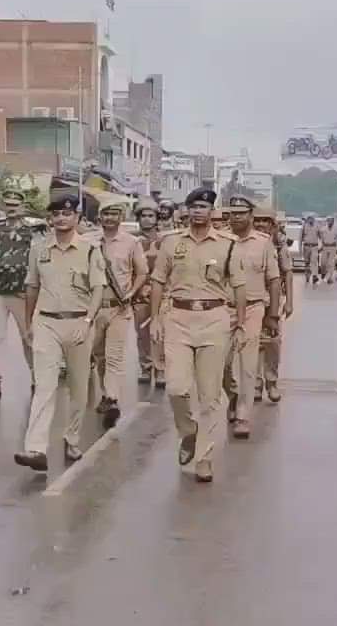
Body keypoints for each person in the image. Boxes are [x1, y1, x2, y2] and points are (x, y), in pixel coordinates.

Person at [150, 187, 246, 483]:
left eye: (203, 207)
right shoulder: (171, 242)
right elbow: (158, 280)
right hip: (178, 317)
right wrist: (155, 319)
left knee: (209, 395)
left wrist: (240, 324)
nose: (197, 212)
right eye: (193, 207)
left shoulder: (228, 245)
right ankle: (188, 431)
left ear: (212, 212)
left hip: (214, 318)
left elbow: (239, 286)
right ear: (186, 211)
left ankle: (204, 458)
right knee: (175, 387)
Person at [13, 194, 106, 472]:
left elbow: (98, 289)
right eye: (56, 214)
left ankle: (72, 437)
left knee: (78, 387)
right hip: (46, 323)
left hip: (78, 322)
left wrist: (88, 320)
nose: (61, 219)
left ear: (77, 218)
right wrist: (29, 324)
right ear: (50, 219)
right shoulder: (39, 249)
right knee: (44, 386)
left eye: (67, 214)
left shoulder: (89, 250)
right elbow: (32, 286)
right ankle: (36, 448)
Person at [221, 195, 281, 438]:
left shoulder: (264, 243)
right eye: (233, 213)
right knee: (221, 363)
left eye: (242, 213)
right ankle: (233, 395)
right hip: (224, 309)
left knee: (248, 364)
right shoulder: (221, 240)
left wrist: (273, 315)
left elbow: (274, 280)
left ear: (250, 215)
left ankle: (243, 416)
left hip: (254, 308)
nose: (237, 217)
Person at [90, 201, 148, 429]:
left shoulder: (132, 242)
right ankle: (106, 392)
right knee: (99, 355)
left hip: (119, 308)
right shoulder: (88, 241)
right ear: (99, 217)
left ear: (121, 217)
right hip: (94, 308)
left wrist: (131, 293)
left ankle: (112, 398)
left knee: (114, 355)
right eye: (105, 214)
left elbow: (142, 272)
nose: (109, 218)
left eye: (114, 214)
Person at [0, 188, 38, 402]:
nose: (11, 209)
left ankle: (37, 375)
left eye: (15, 205)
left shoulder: (32, 232)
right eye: (8, 205)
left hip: (22, 292)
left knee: (28, 337)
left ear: (22, 207)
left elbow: (38, 260)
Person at [256, 208, 295, 402]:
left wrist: (289, 302)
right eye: (257, 220)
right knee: (252, 343)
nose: (260, 224)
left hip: (272, 301)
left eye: (265, 221)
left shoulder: (278, 246)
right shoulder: (246, 242)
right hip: (251, 300)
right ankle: (255, 385)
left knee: (272, 343)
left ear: (272, 225)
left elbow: (287, 273)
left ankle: (271, 383)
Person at [132, 200, 163, 386]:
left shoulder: (164, 240)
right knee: (142, 333)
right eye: (143, 216)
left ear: (157, 218)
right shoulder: (132, 240)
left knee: (161, 332)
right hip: (140, 293)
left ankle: (160, 369)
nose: (147, 219)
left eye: (151, 216)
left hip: (162, 291)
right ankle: (145, 367)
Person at [317, 216, 337, 285]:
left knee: (330, 264)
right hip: (325, 247)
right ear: (327, 221)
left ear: (333, 222)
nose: (330, 222)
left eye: (332, 221)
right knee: (323, 263)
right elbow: (320, 238)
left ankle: (329, 278)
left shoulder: (336, 229)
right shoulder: (323, 229)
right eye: (329, 221)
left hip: (332, 247)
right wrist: (320, 248)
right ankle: (323, 273)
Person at [300, 216, 320, 285]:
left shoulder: (317, 226)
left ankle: (314, 276)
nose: (311, 220)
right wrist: (300, 249)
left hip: (314, 247)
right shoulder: (304, 226)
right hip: (306, 247)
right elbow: (300, 237)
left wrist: (321, 246)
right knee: (307, 263)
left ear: (314, 219)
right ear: (308, 219)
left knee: (314, 261)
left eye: (312, 218)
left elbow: (320, 236)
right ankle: (307, 276)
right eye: (309, 218)